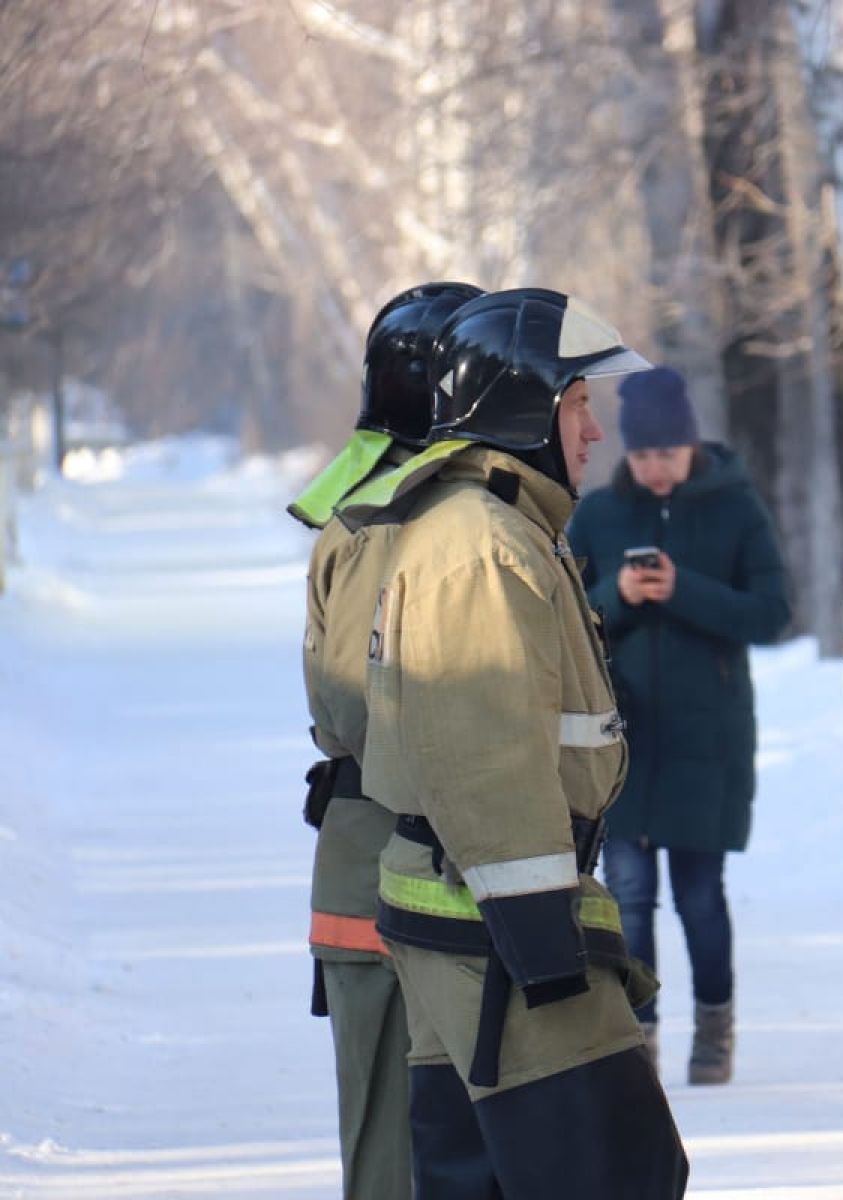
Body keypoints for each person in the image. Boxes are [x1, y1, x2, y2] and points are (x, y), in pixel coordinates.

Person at [343, 287, 688, 1197]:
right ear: (524, 408)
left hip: (476, 924)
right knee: (621, 1174)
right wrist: (545, 941)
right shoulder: (484, 548)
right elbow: (481, 753)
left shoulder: (492, 527)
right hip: (503, 937)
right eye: (580, 405)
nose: (596, 433)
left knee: (476, 1179)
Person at [291, 280, 482, 1200]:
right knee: (406, 1161)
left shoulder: (358, 507)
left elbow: (334, 714)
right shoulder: (425, 522)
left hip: (372, 863)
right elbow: (359, 713)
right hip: (407, 869)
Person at [565, 366, 789, 1085]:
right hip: (624, 737)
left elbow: (771, 610)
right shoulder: (597, 515)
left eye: (668, 453)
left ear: (690, 445)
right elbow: (565, 620)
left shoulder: (735, 508)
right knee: (628, 896)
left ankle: (715, 1030)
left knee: (699, 895)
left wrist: (682, 589)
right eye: (643, 455)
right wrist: (619, 595)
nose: (656, 468)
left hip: (708, 736)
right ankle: (641, 1036)